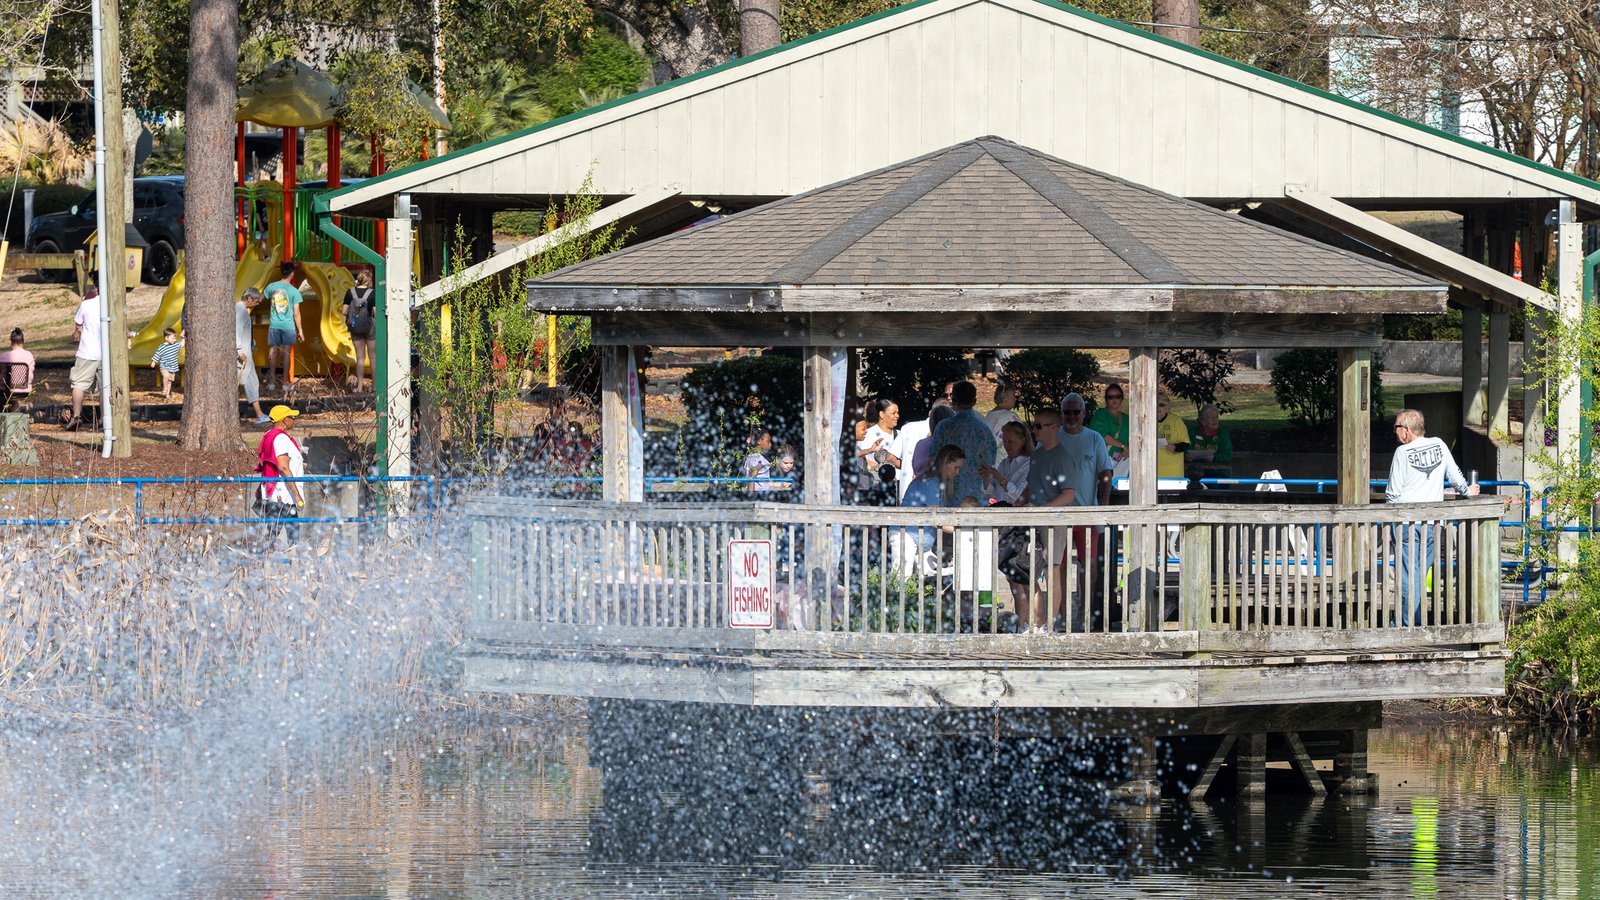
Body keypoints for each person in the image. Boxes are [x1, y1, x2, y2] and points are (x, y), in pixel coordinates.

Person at [1387, 408, 1478, 625]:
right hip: (1432, 525)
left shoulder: (1402, 453)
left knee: (1409, 576)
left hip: (1406, 523)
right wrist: (1467, 490)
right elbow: (1455, 476)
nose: (1395, 431)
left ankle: (1405, 625)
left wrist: (1392, 520)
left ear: (1406, 429)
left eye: (1396, 427)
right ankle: (1415, 623)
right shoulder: (1439, 444)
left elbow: (1392, 494)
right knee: (1418, 575)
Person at [1055, 392, 1114, 630]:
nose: (1071, 417)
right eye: (1067, 412)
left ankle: (1085, 613)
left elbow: (1106, 473)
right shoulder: (1053, 436)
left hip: (1087, 512)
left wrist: (1104, 506)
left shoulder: (1094, 438)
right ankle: (1062, 614)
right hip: (1058, 514)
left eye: (1076, 412)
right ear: (1061, 414)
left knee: (1088, 565)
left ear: (1083, 413)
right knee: (1058, 565)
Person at [1016, 408, 1076, 633]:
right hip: (1031, 520)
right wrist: (1017, 505)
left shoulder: (1063, 457)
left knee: (1052, 570)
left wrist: (1041, 509)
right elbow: (1030, 486)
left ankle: (1049, 625)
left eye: (1039, 425)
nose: (1034, 430)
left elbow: (1068, 494)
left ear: (1054, 427)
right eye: (1034, 425)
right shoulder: (1037, 455)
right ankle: (1034, 621)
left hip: (1053, 522)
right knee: (1027, 570)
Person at [898, 444, 967, 573]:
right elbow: (934, 519)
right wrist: (961, 530)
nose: (957, 472)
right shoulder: (931, 482)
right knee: (902, 578)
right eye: (956, 467)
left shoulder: (937, 483)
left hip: (919, 539)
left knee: (928, 578)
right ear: (946, 463)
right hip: (909, 535)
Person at [928, 381, 996, 505]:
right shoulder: (984, 430)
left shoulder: (943, 427)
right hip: (976, 496)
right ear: (974, 402)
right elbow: (990, 461)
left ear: (953, 401)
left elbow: (934, 459)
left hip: (948, 493)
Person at [254, 405, 307, 543]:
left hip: (277, 490)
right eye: (291, 417)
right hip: (284, 493)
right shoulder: (281, 438)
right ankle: (265, 552)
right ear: (284, 420)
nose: (293, 419)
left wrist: (299, 464)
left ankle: (268, 552)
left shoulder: (269, 435)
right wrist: (297, 495)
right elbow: (283, 467)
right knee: (285, 530)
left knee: (277, 529)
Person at [263, 263, 304, 391]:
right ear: (292, 274)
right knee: (286, 354)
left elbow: (262, 297)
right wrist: (300, 330)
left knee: (272, 352)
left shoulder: (271, 287)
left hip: (274, 325)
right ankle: (285, 383)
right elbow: (296, 313)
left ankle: (271, 383)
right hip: (288, 326)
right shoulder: (294, 291)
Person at [237, 288, 271, 424]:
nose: (257, 304)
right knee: (242, 382)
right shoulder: (241, 312)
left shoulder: (239, 310)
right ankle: (259, 414)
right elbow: (236, 331)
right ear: (249, 298)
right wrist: (239, 351)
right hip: (242, 354)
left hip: (245, 353)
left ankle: (259, 414)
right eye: (256, 301)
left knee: (251, 381)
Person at [980, 419, 1032, 505]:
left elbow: (1019, 497)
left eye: (1010, 441)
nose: (1007, 445)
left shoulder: (1028, 464)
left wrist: (1000, 478)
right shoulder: (1004, 463)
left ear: (1023, 440)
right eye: (1004, 441)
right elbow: (992, 493)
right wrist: (986, 477)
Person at [341, 268, 377, 392]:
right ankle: (374, 386)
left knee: (360, 357)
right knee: (373, 357)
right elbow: (375, 312)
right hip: (370, 327)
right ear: (369, 280)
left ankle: (360, 386)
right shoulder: (372, 293)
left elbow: (344, 311)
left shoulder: (350, 292)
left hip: (355, 327)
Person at [1187, 403, 1234, 480]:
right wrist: (1187, 456)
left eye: (1216, 417)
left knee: (1215, 483)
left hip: (1218, 472)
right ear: (1203, 421)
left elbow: (1227, 456)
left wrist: (1214, 458)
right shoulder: (1193, 432)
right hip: (1195, 472)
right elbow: (1187, 450)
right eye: (1210, 418)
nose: (1215, 420)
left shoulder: (1223, 433)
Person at [1089, 383, 1129, 461]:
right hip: (1102, 460)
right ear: (1106, 399)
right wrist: (1123, 446)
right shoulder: (1100, 414)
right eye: (1110, 397)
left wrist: (1129, 450)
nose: (1114, 400)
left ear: (1122, 399)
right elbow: (1102, 435)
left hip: (1123, 462)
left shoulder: (1127, 418)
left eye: (1117, 397)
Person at [1155, 392, 1189, 482]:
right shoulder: (1146, 421)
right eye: (1155, 404)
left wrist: (1175, 447)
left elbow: (1186, 444)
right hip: (1151, 473)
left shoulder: (1176, 421)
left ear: (1167, 407)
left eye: (1161, 405)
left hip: (1173, 474)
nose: (1157, 408)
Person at [0, 327, 36, 407]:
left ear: (11, 341)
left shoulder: (3, 356)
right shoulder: (29, 355)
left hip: (5, 391)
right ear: (22, 341)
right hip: (24, 390)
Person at [984, 383, 1020, 456]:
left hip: (990, 457)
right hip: (1005, 458)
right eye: (1013, 395)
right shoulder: (1010, 416)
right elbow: (1022, 438)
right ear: (1004, 398)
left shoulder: (989, 415)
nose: (1015, 399)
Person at [150, 327, 183, 400]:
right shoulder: (162, 347)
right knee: (166, 375)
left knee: (169, 381)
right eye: (172, 338)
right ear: (166, 338)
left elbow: (181, 344)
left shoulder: (175, 345)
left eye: (175, 338)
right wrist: (154, 361)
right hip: (164, 365)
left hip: (172, 367)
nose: (174, 340)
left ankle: (167, 394)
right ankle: (164, 389)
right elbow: (157, 354)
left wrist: (184, 337)